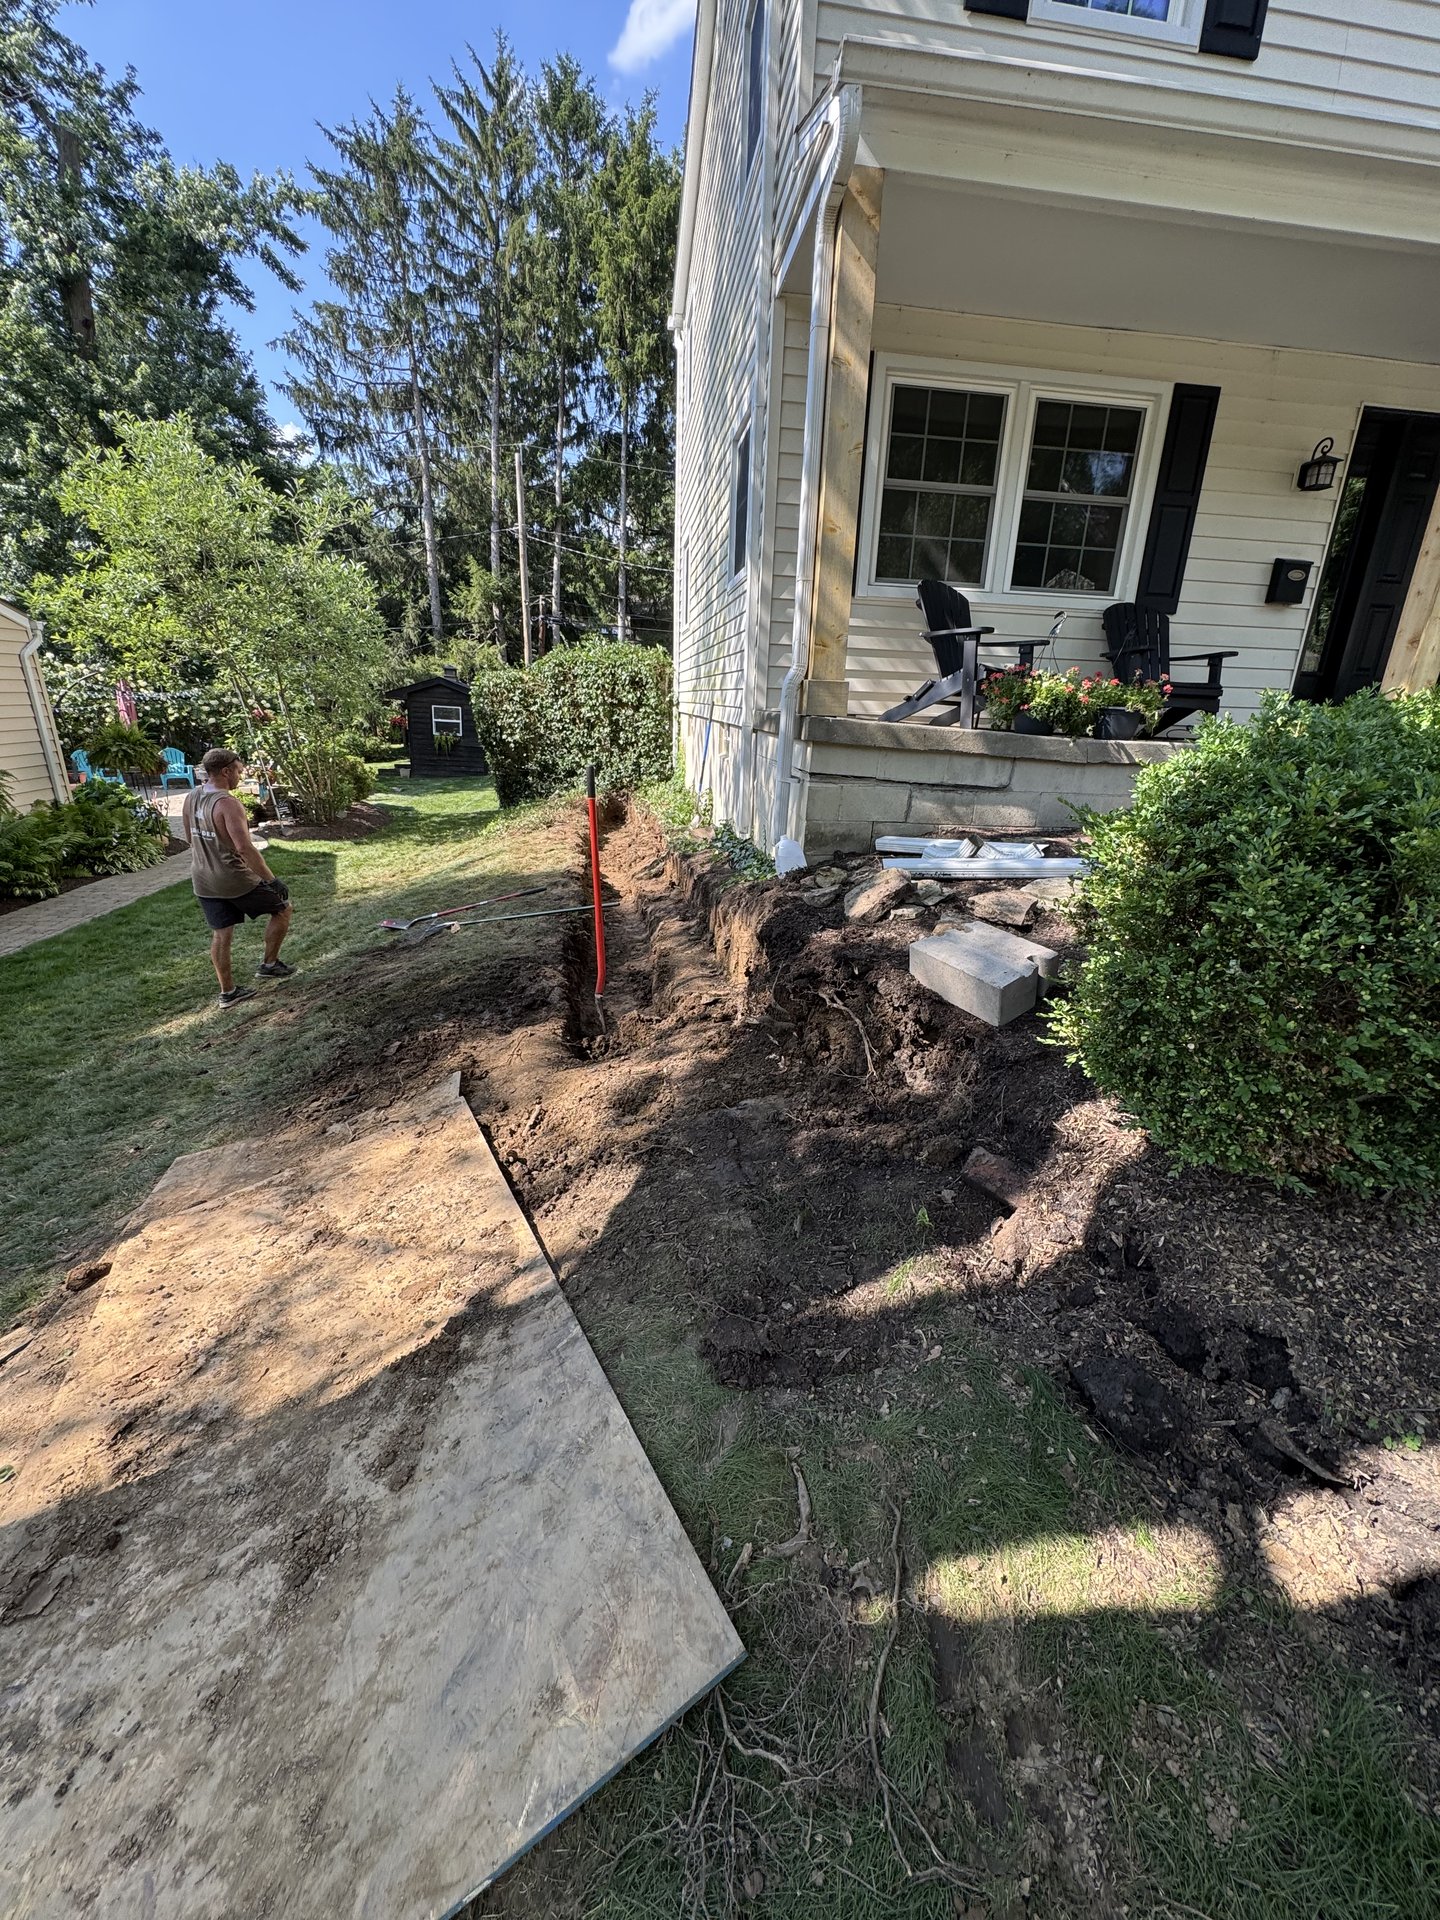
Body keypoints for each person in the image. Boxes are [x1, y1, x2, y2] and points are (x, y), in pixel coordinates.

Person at [181, 747, 295, 1007]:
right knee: (284, 909)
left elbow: (190, 838)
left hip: (202, 879)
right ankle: (269, 964)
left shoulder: (192, 797)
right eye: (239, 771)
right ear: (225, 771)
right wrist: (271, 880)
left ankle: (228, 993)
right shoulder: (228, 803)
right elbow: (244, 848)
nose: (240, 777)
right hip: (234, 879)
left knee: (221, 934)